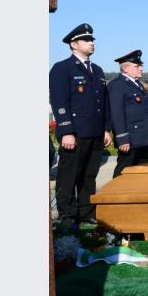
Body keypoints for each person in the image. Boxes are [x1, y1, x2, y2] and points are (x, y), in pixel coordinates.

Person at [49, 23, 112, 226]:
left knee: (89, 175)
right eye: (86, 40)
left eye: (92, 40)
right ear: (74, 44)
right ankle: (67, 215)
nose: (91, 43)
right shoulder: (62, 68)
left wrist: (106, 128)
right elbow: (60, 102)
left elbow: (103, 103)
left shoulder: (98, 70)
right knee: (69, 175)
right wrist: (66, 130)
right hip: (75, 132)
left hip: (94, 131)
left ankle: (86, 212)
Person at [107, 50, 148, 177]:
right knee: (124, 171)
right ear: (125, 68)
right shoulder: (117, 85)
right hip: (131, 139)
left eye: (141, 65)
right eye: (137, 66)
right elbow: (117, 113)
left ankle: (138, 196)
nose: (141, 68)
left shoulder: (137, 84)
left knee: (141, 171)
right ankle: (116, 195)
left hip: (143, 137)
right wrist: (122, 138)